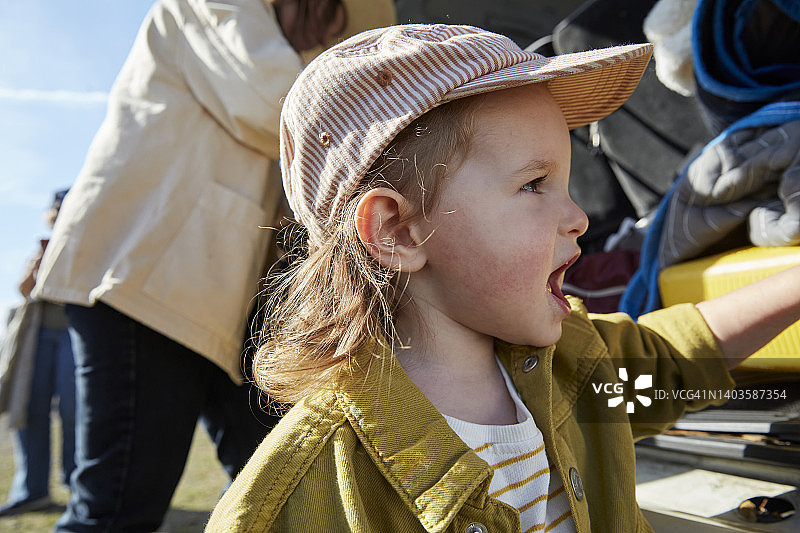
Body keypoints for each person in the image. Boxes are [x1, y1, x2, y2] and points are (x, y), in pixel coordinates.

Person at [205, 24, 800, 532]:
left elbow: (672, 363)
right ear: (399, 232)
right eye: (534, 185)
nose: (579, 217)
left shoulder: (577, 373)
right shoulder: (303, 496)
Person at [31, 0, 395, 531]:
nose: (330, 26)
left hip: (231, 299)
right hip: (148, 275)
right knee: (117, 509)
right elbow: (276, 104)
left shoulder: (288, 47)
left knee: (280, 485)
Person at [0, 189, 74, 517]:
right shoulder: (41, 247)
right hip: (39, 334)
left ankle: (77, 484)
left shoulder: (90, 241)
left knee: (75, 410)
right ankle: (32, 490)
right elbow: (24, 290)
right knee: (29, 407)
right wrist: (38, 266)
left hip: (75, 332)